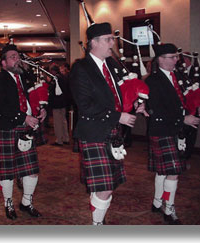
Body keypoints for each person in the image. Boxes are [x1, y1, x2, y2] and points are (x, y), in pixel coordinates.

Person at [70, 22, 147, 225]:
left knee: (108, 184)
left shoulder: (111, 66)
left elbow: (118, 96)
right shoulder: (81, 68)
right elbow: (85, 106)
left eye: (112, 38)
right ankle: (97, 225)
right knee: (105, 186)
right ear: (93, 43)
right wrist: (118, 116)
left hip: (112, 132)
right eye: (108, 39)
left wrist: (133, 107)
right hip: (94, 132)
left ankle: (98, 220)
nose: (112, 43)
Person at [0, 44, 47, 220]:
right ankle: (8, 203)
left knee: (31, 170)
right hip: (7, 127)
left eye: (17, 56)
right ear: (3, 62)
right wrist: (23, 117)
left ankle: (26, 202)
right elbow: (0, 106)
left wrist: (40, 109)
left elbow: (34, 97)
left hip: (25, 128)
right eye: (12, 57)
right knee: (7, 172)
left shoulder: (25, 77)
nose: (16, 59)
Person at [145, 43, 200, 225]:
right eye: (172, 57)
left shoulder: (177, 76)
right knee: (173, 172)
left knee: (164, 170)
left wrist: (196, 108)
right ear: (160, 59)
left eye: (176, 56)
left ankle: (157, 201)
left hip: (175, 130)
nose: (176, 60)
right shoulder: (153, 81)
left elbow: (182, 100)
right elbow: (157, 109)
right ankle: (168, 208)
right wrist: (184, 118)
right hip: (162, 130)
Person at [48, 63, 70, 146]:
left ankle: (59, 140)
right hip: (64, 102)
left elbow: (51, 90)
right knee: (63, 121)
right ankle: (66, 138)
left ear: (53, 71)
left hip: (56, 102)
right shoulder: (64, 77)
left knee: (57, 122)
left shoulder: (55, 78)